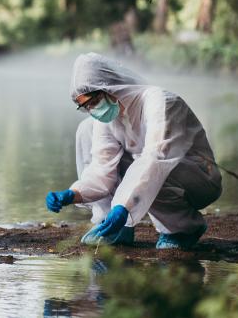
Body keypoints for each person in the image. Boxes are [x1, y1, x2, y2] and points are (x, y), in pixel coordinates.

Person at [45, 53, 222, 249]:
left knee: (150, 167)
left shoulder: (162, 103)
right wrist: (73, 193)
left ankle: (181, 228)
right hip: (153, 175)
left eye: (93, 103)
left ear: (108, 88)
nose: (92, 110)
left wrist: (123, 206)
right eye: (85, 107)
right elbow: (102, 168)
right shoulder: (110, 118)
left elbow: (156, 160)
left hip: (197, 180)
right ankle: (115, 225)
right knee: (87, 129)